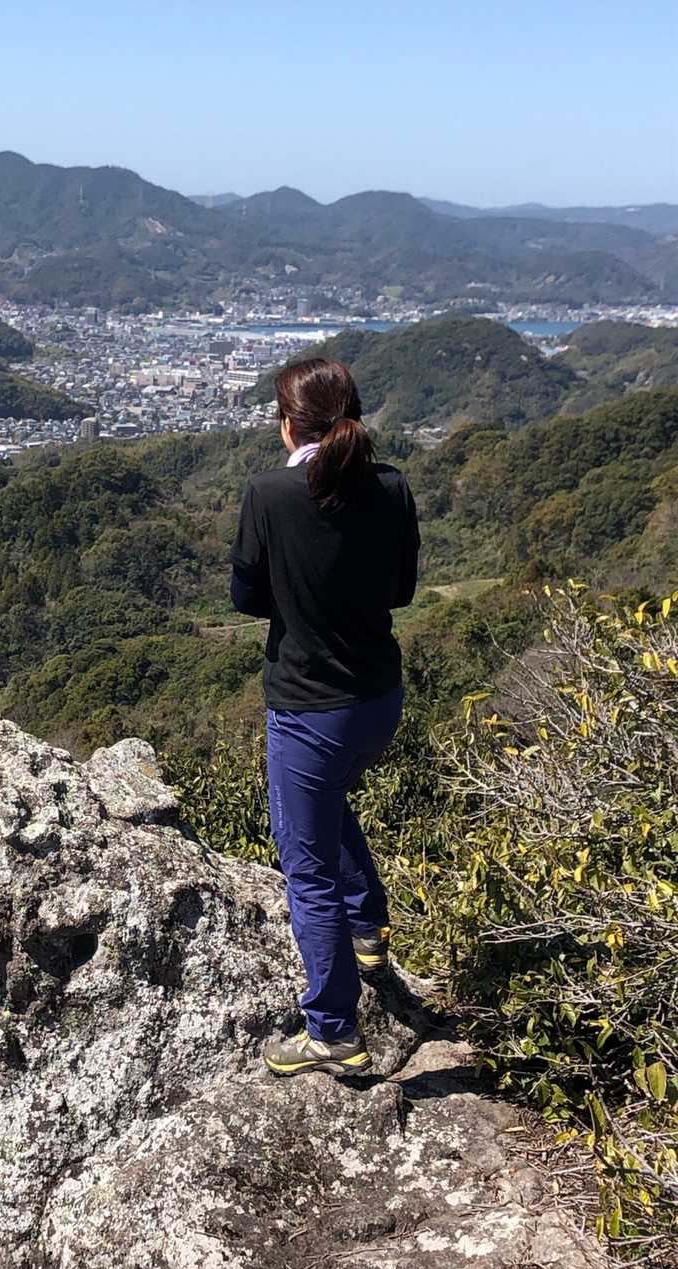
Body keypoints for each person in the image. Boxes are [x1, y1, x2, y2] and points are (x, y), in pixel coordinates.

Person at [230, 356, 419, 1078]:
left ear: (288, 425)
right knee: (329, 802)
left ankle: (333, 1030)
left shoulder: (269, 493)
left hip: (310, 710)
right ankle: (368, 928)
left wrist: (300, 595)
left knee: (305, 869)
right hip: (379, 701)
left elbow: (246, 596)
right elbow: (401, 589)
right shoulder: (392, 487)